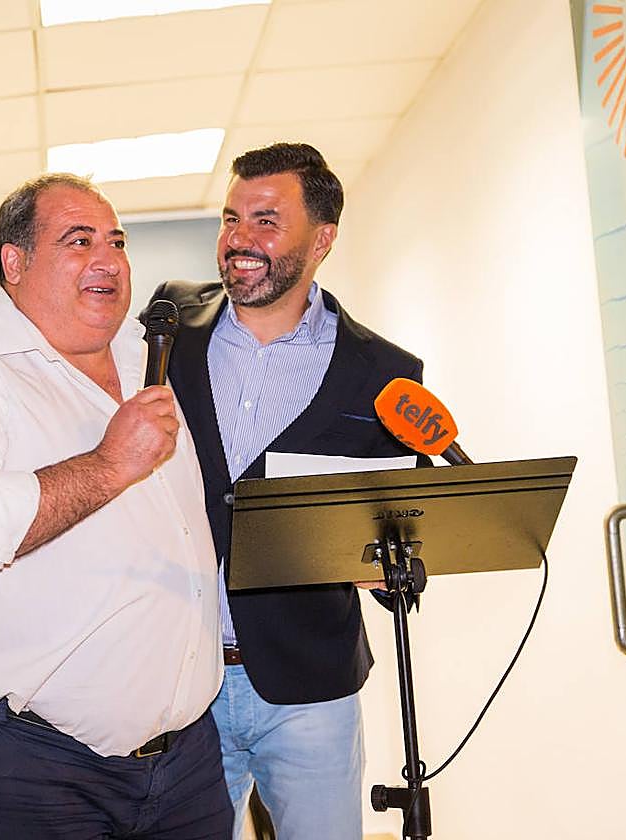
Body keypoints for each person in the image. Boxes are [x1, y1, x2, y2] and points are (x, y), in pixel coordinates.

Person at [0, 174, 231, 840]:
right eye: (79, 241)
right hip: (28, 763)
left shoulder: (148, 354)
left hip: (185, 760)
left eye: (116, 241)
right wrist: (107, 465)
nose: (108, 260)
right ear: (15, 262)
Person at [146, 143, 428, 839]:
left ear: (322, 240)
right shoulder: (169, 321)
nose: (239, 238)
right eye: (231, 218)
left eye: (266, 221)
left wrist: (389, 569)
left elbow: (400, 532)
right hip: (179, 683)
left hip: (311, 687)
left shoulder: (384, 373)